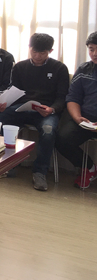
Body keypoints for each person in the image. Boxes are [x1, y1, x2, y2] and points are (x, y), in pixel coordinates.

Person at [0, 33, 69, 191]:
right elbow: (14, 91)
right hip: (22, 108)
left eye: (42, 53)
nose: (37, 56)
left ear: (50, 51)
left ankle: (39, 172)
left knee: (48, 130)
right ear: (29, 48)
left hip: (46, 111)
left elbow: (62, 97)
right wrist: (4, 103)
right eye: (34, 52)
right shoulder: (20, 67)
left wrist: (52, 109)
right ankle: (7, 165)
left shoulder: (59, 68)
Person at [56, 31, 97, 189]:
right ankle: (89, 168)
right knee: (61, 139)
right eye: (91, 49)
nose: (94, 54)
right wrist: (77, 117)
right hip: (86, 119)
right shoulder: (84, 69)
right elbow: (73, 97)